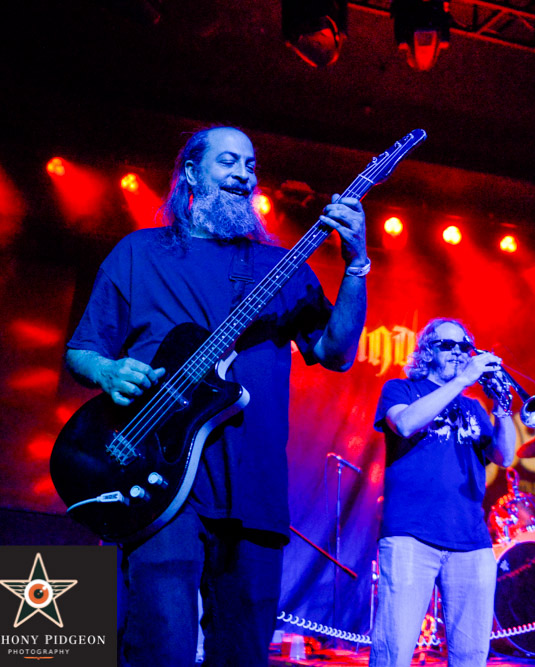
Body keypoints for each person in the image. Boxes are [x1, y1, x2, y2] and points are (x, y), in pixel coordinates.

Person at [63, 126, 368, 666]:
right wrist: (108, 371)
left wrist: (356, 265)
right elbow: (82, 351)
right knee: (164, 648)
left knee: (243, 654)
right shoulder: (140, 252)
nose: (244, 173)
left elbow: (337, 351)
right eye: (229, 161)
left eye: (251, 164)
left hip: (254, 491)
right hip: (160, 484)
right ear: (190, 173)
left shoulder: (280, 266)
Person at [369, 317, 516, 667]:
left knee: (471, 656)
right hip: (411, 536)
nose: (457, 353)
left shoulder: (475, 408)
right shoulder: (400, 389)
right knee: (394, 651)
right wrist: (465, 379)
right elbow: (404, 424)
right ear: (425, 353)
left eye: (463, 347)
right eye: (446, 345)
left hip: (472, 541)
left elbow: (504, 456)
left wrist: (502, 408)